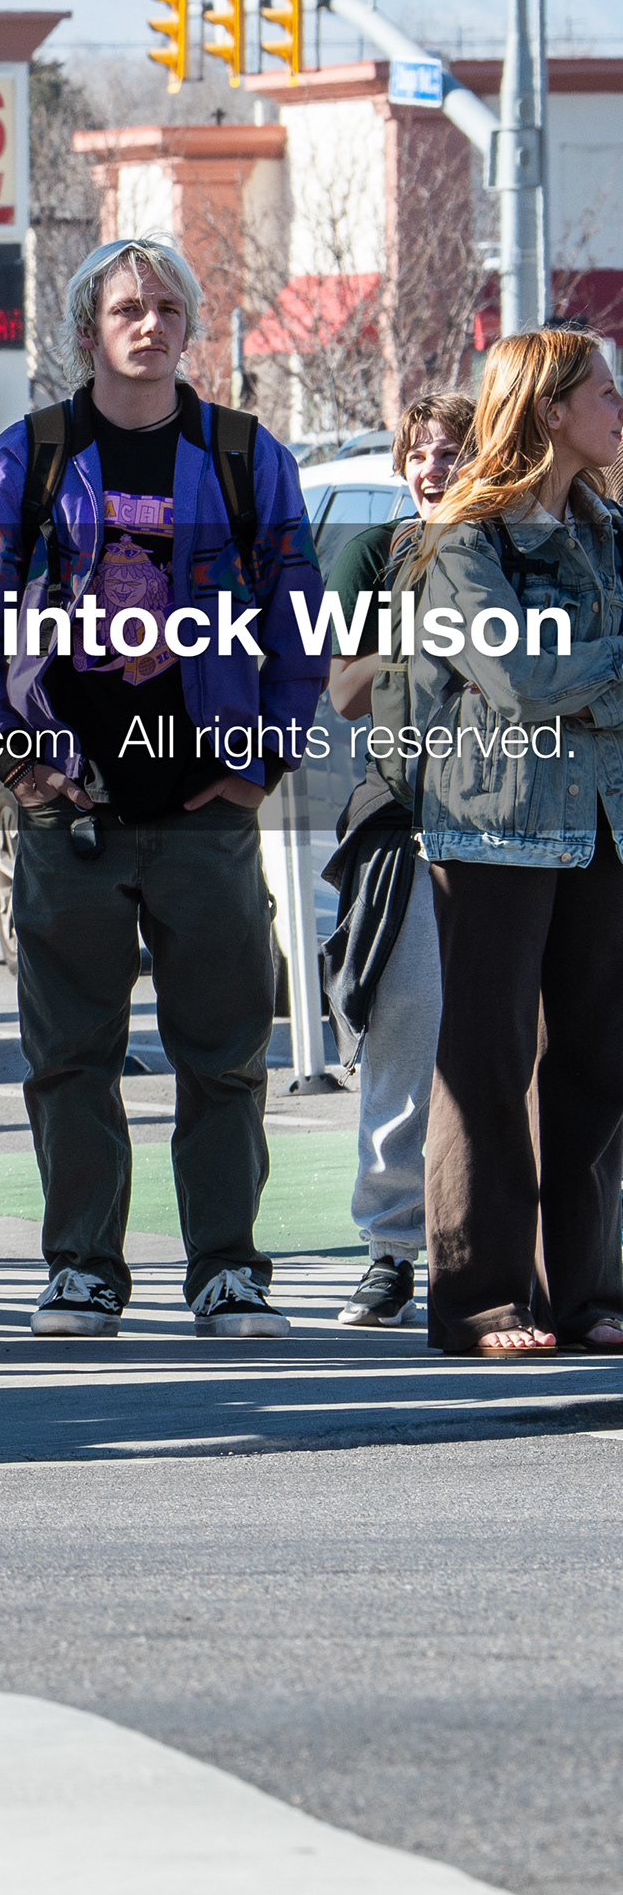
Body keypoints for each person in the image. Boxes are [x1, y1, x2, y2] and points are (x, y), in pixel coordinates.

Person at [0, 238, 324, 1339]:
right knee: (68, 1059)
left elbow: (301, 621)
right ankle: (84, 1270)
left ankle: (229, 1271)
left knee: (226, 1056)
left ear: (190, 325)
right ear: (86, 330)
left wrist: (265, 762)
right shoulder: (31, 458)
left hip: (207, 818)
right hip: (72, 814)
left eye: (164, 307)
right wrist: (13, 752)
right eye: (124, 309)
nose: (147, 324)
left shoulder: (246, 457)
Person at [392, 332, 623, 1358]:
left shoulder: (609, 529)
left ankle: (584, 1297)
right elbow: (521, 681)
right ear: (550, 409)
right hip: (494, 824)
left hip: (604, 822)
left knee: (599, 1062)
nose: (621, 408)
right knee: (486, 1062)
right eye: (606, 391)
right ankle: (481, 1302)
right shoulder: (463, 539)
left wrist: (589, 672)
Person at [322, 392, 475, 1326]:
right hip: (406, 822)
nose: (433, 466)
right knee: (407, 1034)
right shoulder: (370, 557)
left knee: (509, 1047)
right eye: (420, 452)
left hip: (517, 824)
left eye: (453, 450)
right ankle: (388, 1250)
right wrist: (430, 645)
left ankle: (496, 1248)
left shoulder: (512, 548)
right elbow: (341, 689)